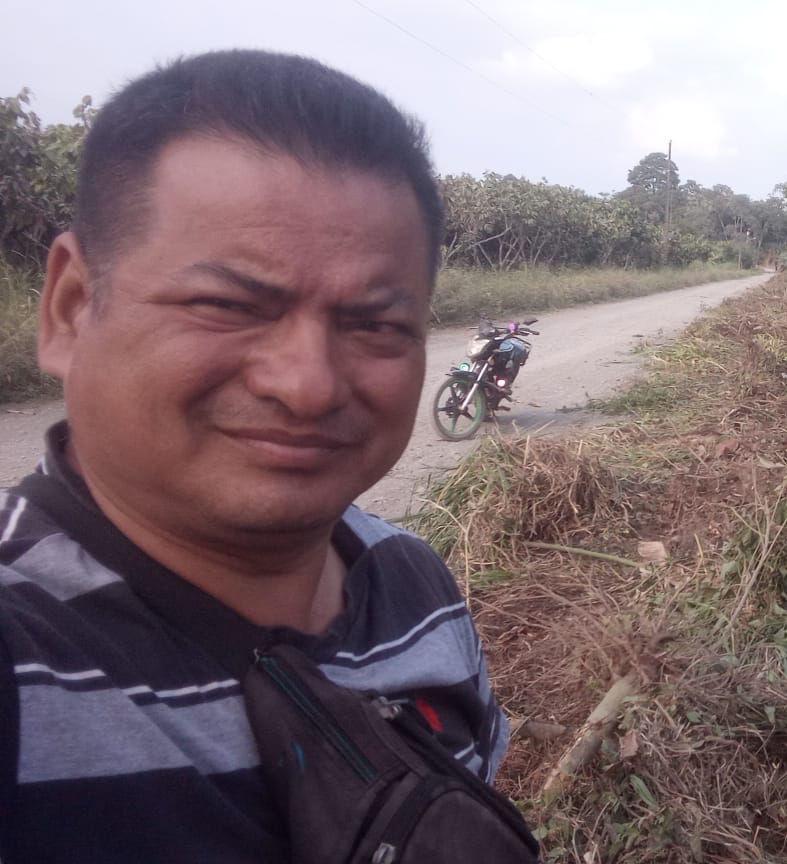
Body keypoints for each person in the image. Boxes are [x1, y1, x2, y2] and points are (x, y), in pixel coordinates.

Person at [0, 50, 518, 862]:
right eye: (226, 304)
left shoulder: (413, 582)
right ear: (69, 309)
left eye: (375, 325)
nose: (308, 386)